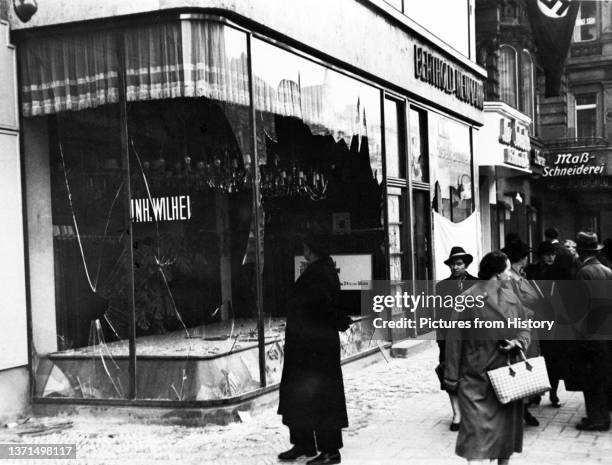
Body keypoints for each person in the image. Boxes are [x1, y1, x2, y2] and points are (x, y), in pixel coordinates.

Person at [445, 251, 531, 465]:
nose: (510, 274)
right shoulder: (467, 299)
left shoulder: (512, 296)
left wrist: (519, 342)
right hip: (476, 380)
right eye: (507, 270)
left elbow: (525, 327)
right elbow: (454, 340)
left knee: (504, 441)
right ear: (497, 273)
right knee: (476, 442)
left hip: (507, 377)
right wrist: (452, 379)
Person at [277, 228, 349, 464]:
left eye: (305, 247)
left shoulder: (321, 273)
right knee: (300, 396)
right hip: (306, 347)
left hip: (316, 349)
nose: (303, 251)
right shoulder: (319, 271)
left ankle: (330, 451)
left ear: (310, 249)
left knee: (322, 398)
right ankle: (303, 443)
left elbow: (324, 309)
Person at [565, 232, 612, 431]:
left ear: (581, 252)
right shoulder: (607, 271)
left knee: (590, 378)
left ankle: (596, 419)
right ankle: (602, 416)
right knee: (602, 376)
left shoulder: (583, 273)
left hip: (589, 335)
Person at [435, 246, 478, 431]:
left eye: (459, 263)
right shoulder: (442, 286)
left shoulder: (477, 284)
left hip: (471, 338)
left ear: (466, 264)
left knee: (471, 375)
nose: (455, 267)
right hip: (449, 339)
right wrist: (441, 339)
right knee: (449, 374)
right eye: (452, 264)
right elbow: (439, 315)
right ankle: (457, 414)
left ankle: (470, 412)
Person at [501, 240, 542, 425]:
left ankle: (523, 407)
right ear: (523, 258)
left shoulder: (518, 275)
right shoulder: (510, 278)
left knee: (525, 364)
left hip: (528, 326)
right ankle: (520, 409)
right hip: (520, 326)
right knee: (519, 365)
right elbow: (514, 303)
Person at [525, 241, 563, 408]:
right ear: (540, 256)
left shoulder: (560, 272)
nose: (551, 257)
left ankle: (553, 393)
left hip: (553, 320)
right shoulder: (530, 271)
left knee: (553, 358)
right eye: (547, 254)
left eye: (553, 254)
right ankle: (535, 393)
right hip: (534, 319)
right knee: (534, 357)